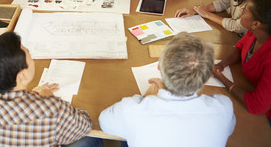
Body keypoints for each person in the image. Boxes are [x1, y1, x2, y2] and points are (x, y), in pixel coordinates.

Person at [99, 32, 235, 147]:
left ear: (159, 66)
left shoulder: (132, 110)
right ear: (206, 77)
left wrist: (146, 97)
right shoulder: (224, 107)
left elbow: (104, 121)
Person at [0, 32, 103, 147]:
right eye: (29, 54)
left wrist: (32, 97)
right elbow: (85, 125)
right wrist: (48, 99)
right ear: (22, 75)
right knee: (90, 137)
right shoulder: (51, 109)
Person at [213, 0, 271, 126]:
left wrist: (222, 78)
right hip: (247, 85)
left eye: (244, 10)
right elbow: (240, 47)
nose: (240, 10)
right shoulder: (255, 32)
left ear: (256, 24)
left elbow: (257, 106)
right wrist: (222, 64)